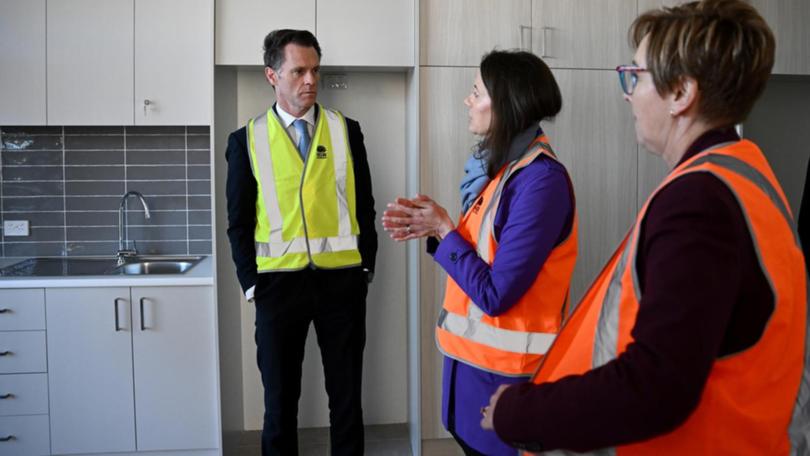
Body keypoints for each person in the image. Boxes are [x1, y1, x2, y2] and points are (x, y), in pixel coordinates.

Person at [481, 1, 810, 454]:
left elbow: (656, 386)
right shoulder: (744, 174)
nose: (627, 93)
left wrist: (516, 413)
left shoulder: (699, 202)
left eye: (635, 76)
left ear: (681, 94)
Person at [383, 50, 577, 455]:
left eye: (476, 92)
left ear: (505, 104)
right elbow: (478, 253)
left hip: (506, 385)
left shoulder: (541, 182)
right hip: (472, 373)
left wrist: (443, 227)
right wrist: (435, 230)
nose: (467, 101)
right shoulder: (501, 171)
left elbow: (495, 293)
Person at [225, 29, 377, 456]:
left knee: (347, 398)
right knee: (279, 403)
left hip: (342, 284)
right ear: (272, 76)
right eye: (298, 71)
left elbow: (363, 205)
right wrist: (252, 284)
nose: (310, 80)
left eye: (315, 70)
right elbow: (238, 222)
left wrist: (366, 267)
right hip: (277, 287)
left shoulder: (346, 130)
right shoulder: (246, 140)